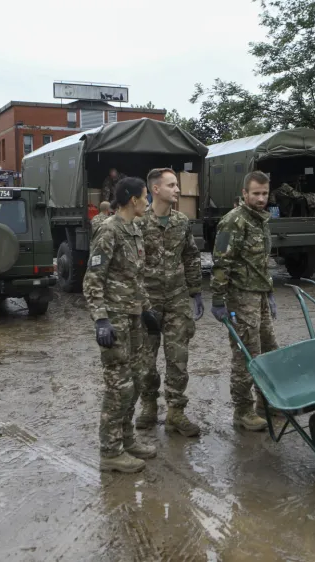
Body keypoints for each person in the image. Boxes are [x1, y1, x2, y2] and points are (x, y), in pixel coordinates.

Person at [83, 177, 162, 473]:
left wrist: (147, 311)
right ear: (132, 200)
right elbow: (93, 279)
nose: (148, 202)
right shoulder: (109, 230)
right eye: (146, 197)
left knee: (136, 381)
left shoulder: (134, 230)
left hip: (132, 317)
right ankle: (110, 451)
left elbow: (135, 277)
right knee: (119, 386)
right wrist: (101, 320)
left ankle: (127, 439)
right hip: (114, 320)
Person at [134, 168, 204, 438]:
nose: (178, 189)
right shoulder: (139, 224)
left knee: (178, 359)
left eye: (177, 185)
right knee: (145, 361)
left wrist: (196, 290)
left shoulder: (181, 222)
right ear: (155, 189)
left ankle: (176, 412)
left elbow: (191, 255)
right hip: (147, 303)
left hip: (176, 300)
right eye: (172, 185)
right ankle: (149, 406)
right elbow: (130, 266)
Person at [210, 170, 278, 432]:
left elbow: (260, 261)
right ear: (244, 194)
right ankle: (243, 410)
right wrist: (218, 299)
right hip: (240, 297)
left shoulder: (261, 221)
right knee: (247, 355)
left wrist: (269, 291)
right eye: (256, 194)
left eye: (264, 193)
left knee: (270, 350)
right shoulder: (232, 222)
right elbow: (221, 261)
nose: (261, 198)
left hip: (259, 295)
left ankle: (267, 402)